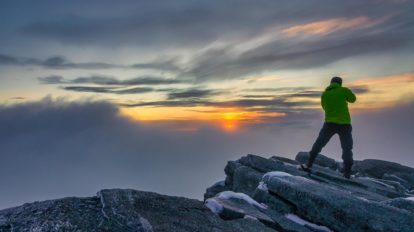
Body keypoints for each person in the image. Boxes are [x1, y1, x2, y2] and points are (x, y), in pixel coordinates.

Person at [300, 76, 356, 179]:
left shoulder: (325, 94)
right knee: (347, 147)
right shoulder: (343, 90)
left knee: (320, 142)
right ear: (340, 83)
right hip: (344, 124)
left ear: (331, 83)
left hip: (329, 123)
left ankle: (309, 163)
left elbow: (324, 107)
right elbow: (353, 99)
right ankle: (347, 172)